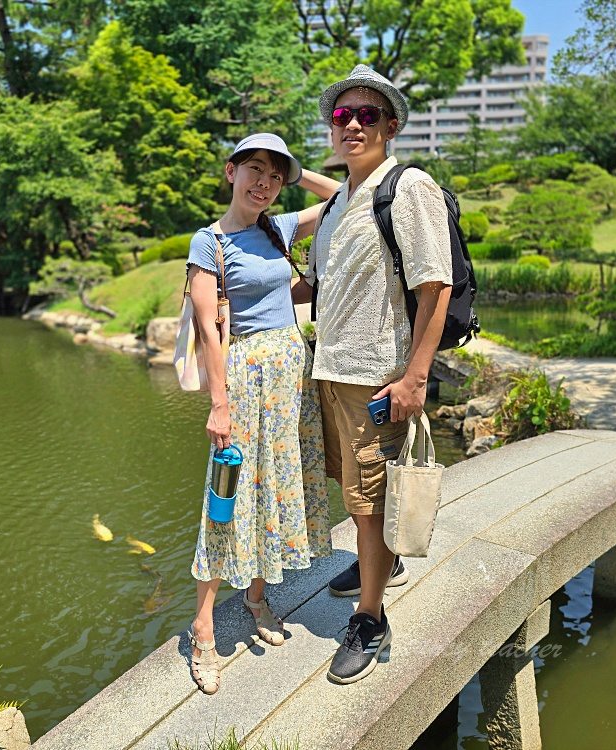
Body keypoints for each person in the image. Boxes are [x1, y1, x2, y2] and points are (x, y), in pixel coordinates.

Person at [292, 65, 452, 685]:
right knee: (355, 490)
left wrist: (414, 379)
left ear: (389, 125)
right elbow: (323, 283)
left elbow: (432, 287)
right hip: (331, 368)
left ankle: (370, 617)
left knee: (369, 499)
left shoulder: (407, 188)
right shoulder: (339, 204)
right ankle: (371, 565)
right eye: (341, 115)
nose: (352, 123)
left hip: (379, 377)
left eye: (367, 115)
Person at [187, 133, 340, 695]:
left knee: (275, 489)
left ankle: (256, 597)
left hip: (289, 375)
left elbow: (345, 195)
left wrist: (297, 174)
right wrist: (219, 404)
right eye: (254, 169)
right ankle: (204, 629)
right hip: (246, 379)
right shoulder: (209, 243)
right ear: (230, 172)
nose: (264, 183)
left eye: (274, 175)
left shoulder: (277, 226)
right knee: (227, 495)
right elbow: (208, 329)